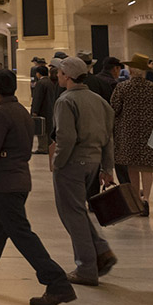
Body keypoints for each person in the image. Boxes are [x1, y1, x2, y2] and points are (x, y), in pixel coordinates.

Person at [0, 69, 77, 305]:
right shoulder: (20, 110)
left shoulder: (0, 114)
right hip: (18, 180)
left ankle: (57, 283)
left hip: (5, 184)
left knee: (22, 235)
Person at [50, 56, 118, 285]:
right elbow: (109, 138)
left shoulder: (65, 100)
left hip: (72, 163)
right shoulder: (99, 101)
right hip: (93, 162)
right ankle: (101, 250)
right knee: (78, 211)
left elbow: (66, 137)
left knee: (70, 214)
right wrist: (107, 168)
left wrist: (57, 163)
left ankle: (87, 268)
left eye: (59, 73)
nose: (57, 76)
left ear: (67, 76)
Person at [109, 54, 153, 215]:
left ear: (131, 70)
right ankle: (146, 199)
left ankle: (136, 202)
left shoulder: (122, 87)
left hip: (128, 134)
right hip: (150, 133)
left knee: (132, 168)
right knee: (148, 168)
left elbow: (114, 108)